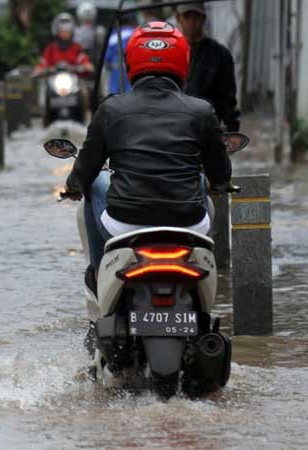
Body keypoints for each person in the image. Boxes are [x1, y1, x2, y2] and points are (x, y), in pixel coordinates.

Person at [62, 22, 231, 272]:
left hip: (124, 225)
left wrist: (74, 186)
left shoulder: (111, 108)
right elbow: (221, 174)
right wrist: (217, 184)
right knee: (199, 179)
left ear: (131, 62)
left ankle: (99, 272)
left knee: (95, 182)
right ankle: (205, 270)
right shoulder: (202, 111)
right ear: (183, 61)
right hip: (190, 225)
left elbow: (86, 168)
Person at [176, 3, 241, 131]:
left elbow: (228, 97)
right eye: (187, 16)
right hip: (175, 128)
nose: (192, 21)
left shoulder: (219, 55)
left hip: (206, 129)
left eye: (196, 16)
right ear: (178, 18)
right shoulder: (170, 52)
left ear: (203, 19)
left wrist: (232, 128)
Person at [103, 13, 138, 94]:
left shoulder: (113, 36)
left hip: (116, 72)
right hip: (132, 72)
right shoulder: (136, 34)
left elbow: (107, 58)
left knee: (115, 96)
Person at [74, 2, 105, 67]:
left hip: (94, 62)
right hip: (77, 64)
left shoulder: (99, 31)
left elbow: (102, 48)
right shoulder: (74, 31)